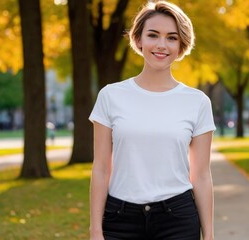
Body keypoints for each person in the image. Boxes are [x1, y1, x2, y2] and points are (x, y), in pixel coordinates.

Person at [89, 1, 216, 239]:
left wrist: (208, 235)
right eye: (153, 35)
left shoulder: (197, 102)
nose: (161, 45)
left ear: (181, 45)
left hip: (177, 219)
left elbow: (200, 175)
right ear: (138, 40)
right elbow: (101, 168)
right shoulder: (110, 96)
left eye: (171, 38)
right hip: (119, 219)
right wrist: (95, 229)